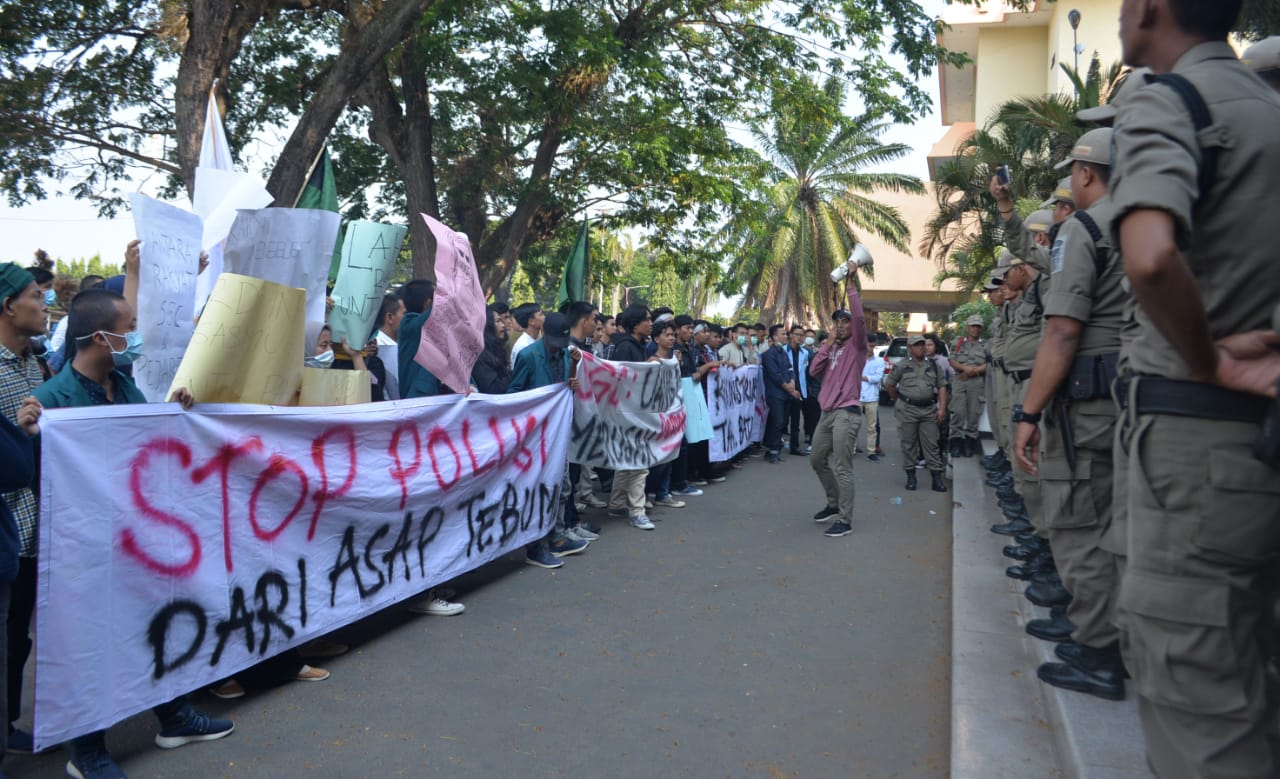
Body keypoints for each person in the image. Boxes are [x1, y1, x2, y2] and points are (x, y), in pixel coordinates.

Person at [1109, 1, 1280, 773]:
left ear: (1147, 8)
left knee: (1199, 702)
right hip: (1255, 454)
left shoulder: (1172, 97)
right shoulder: (1267, 111)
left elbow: (1149, 256)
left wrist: (1207, 357)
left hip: (1202, 449)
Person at [34, 285, 235, 778]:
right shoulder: (50, 401)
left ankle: (172, 715)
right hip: (83, 550)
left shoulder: (123, 386)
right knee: (87, 642)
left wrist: (170, 411)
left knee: (151, 623)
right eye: (128, 330)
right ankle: (87, 750)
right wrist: (29, 431)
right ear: (102, 338)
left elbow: (141, 443)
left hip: (134, 539)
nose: (136, 337)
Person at [1008, 126, 1126, 702]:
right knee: (1116, 527)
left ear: (1084, 174)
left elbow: (1062, 330)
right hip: (1137, 400)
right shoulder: (1158, 219)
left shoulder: (1087, 228)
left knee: (1078, 520)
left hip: (1088, 402)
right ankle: (1106, 635)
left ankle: (1099, 651)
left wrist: (1027, 413)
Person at [509, 312, 591, 566]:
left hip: (558, 431)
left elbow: (566, 387)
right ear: (544, 333)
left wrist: (573, 379)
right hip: (535, 434)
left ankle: (555, 534)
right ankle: (535, 545)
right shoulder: (528, 356)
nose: (557, 346)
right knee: (538, 488)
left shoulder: (568, 355)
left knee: (562, 484)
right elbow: (514, 394)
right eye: (553, 341)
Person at [807, 259, 870, 538]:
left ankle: (845, 519)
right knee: (817, 460)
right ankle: (833, 504)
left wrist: (852, 283)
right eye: (837, 322)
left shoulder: (858, 346)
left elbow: (858, 317)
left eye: (845, 322)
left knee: (843, 467)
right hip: (827, 413)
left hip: (847, 412)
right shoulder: (831, 347)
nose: (842, 325)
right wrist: (827, 345)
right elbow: (813, 370)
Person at [604, 305, 656, 531]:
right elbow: (624, 380)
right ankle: (637, 511)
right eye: (647, 320)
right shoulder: (626, 348)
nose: (651, 324)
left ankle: (616, 503)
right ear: (636, 324)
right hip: (629, 412)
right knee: (639, 463)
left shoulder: (635, 345)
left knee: (626, 462)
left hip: (633, 411)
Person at [884, 334, 948, 493]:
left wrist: (942, 408)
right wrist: (900, 400)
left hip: (928, 410)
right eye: (917, 345)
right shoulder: (901, 366)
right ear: (910, 348)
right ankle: (911, 476)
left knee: (932, 444)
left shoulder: (933, 366)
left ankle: (936, 478)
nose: (922, 347)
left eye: (923, 344)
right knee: (908, 444)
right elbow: (889, 385)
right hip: (908, 410)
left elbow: (942, 387)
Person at [948, 316, 989, 457]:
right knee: (958, 413)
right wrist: (964, 369)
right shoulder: (958, 343)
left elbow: (990, 363)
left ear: (981, 329)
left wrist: (974, 371)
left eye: (978, 326)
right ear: (967, 327)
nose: (975, 329)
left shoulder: (985, 345)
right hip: (960, 380)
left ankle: (969, 444)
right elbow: (952, 360)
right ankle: (955, 443)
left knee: (973, 414)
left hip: (977, 382)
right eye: (973, 326)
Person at [761, 324, 799, 464]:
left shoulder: (783, 353)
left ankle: (772, 448)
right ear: (774, 337)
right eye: (783, 334)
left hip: (786, 393)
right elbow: (775, 376)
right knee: (777, 422)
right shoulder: (768, 355)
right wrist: (790, 389)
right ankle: (773, 452)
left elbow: (790, 370)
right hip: (775, 394)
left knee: (781, 422)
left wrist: (792, 385)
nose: (786, 336)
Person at [783, 325, 815, 455]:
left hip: (800, 389)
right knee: (782, 420)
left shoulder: (806, 353)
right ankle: (774, 445)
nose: (799, 337)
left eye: (802, 335)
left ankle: (794, 447)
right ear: (791, 335)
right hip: (785, 388)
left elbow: (808, 371)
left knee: (796, 420)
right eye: (797, 334)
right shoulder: (783, 351)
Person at [471, 304, 512, 394]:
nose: (503, 325)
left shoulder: (497, 350)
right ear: (487, 326)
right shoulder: (479, 357)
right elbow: (493, 389)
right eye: (498, 321)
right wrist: (516, 375)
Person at [860, 334, 886, 462]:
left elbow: (878, 378)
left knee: (872, 427)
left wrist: (862, 377)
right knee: (853, 424)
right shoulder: (856, 359)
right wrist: (868, 378)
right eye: (869, 345)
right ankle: (851, 448)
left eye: (873, 346)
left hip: (871, 397)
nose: (871, 348)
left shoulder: (880, 361)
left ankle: (871, 451)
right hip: (856, 396)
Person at [508, 303, 543, 369]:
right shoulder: (524, 346)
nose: (544, 317)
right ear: (531, 321)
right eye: (541, 315)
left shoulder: (531, 341)